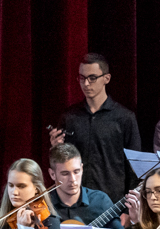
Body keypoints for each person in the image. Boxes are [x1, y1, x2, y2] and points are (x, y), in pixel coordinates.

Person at [48, 53, 143, 202]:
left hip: (112, 202)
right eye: (82, 78)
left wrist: (128, 207)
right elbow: (61, 164)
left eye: (92, 78)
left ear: (107, 78)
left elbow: (134, 168)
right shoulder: (69, 117)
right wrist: (56, 148)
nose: (86, 84)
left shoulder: (125, 118)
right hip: (76, 201)